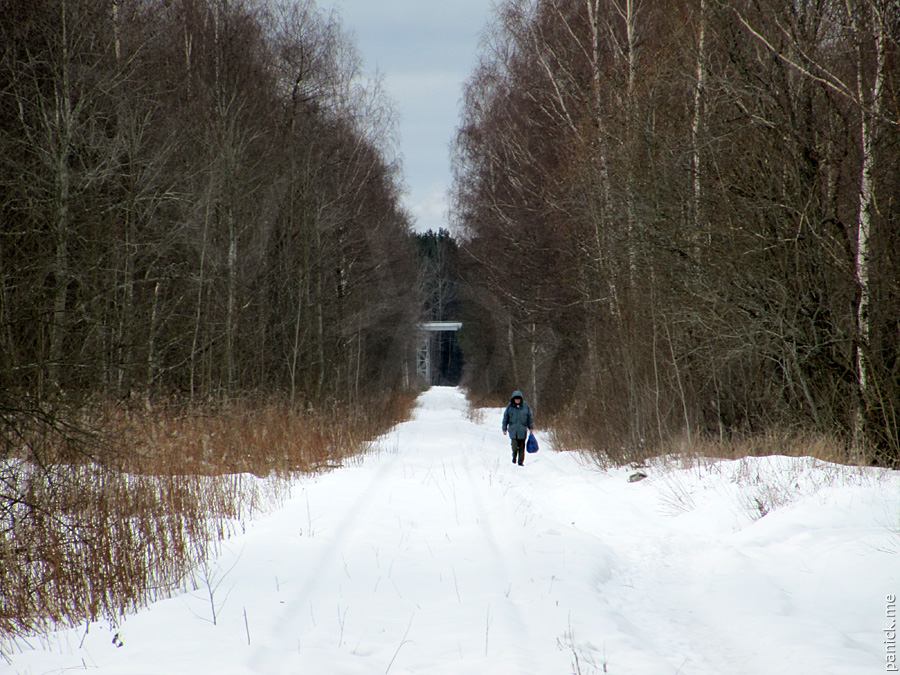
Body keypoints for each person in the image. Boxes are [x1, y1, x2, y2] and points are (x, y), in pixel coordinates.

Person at [502, 390, 533, 466]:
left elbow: (529, 418)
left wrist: (531, 427)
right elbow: (505, 418)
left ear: (521, 399)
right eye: (516, 399)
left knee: (522, 447)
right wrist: (504, 428)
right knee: (514, 446)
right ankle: (514, 456)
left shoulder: (525, 407)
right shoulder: (510, 407)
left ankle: (520, 462)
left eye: (519, 399)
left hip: (522, 430)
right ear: (513, 399)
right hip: (513, 431)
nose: (517, 400)